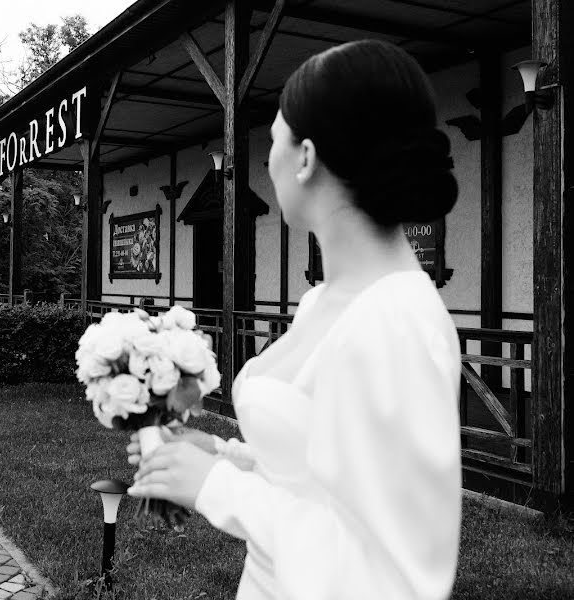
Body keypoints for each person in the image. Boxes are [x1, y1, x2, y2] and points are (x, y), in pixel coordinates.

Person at [126, 39, 462, 600]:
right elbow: (323, 477)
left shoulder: (393, 321)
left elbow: (394, 577)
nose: (268, 160)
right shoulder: (322, 301)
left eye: (274, 139)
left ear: (305, 157)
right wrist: (224, 457)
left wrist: (218, 488)